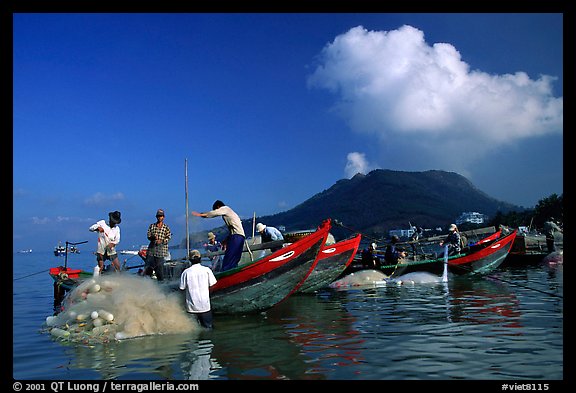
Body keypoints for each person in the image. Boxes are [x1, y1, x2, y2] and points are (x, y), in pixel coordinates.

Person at [192, 200, 246, 272]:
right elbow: (233, 229)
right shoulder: (231, 214)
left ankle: (225, 275)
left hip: (236, 237)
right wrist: (226, 240)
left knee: (229, 257)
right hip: (241, 237)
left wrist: (201, 215)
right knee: (235, 258)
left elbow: (214, 213)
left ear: (218, 207)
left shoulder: (225, 209)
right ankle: (234, 273)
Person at [179, 249, 218, 329]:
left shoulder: (186, 272)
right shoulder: (207, 270)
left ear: (190, 260)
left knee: (194, 330)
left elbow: (182, 288)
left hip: (191, 307)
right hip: (205, 306)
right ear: (200, 259)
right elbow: (213, 284)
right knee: (208, 328)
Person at [145, 209, 172, 281]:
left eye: (161, 216)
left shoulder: (166, 227)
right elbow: (148, 236)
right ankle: (147, 283)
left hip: (161, 252)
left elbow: (168, 238)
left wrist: (161, 241)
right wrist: (153, 238)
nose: (159, 217)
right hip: (151, 251)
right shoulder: (152, 226)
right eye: (158, 216)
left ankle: (160, 284)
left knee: (159, 270)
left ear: (163, 217)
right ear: (156, 217)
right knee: (148, 269)